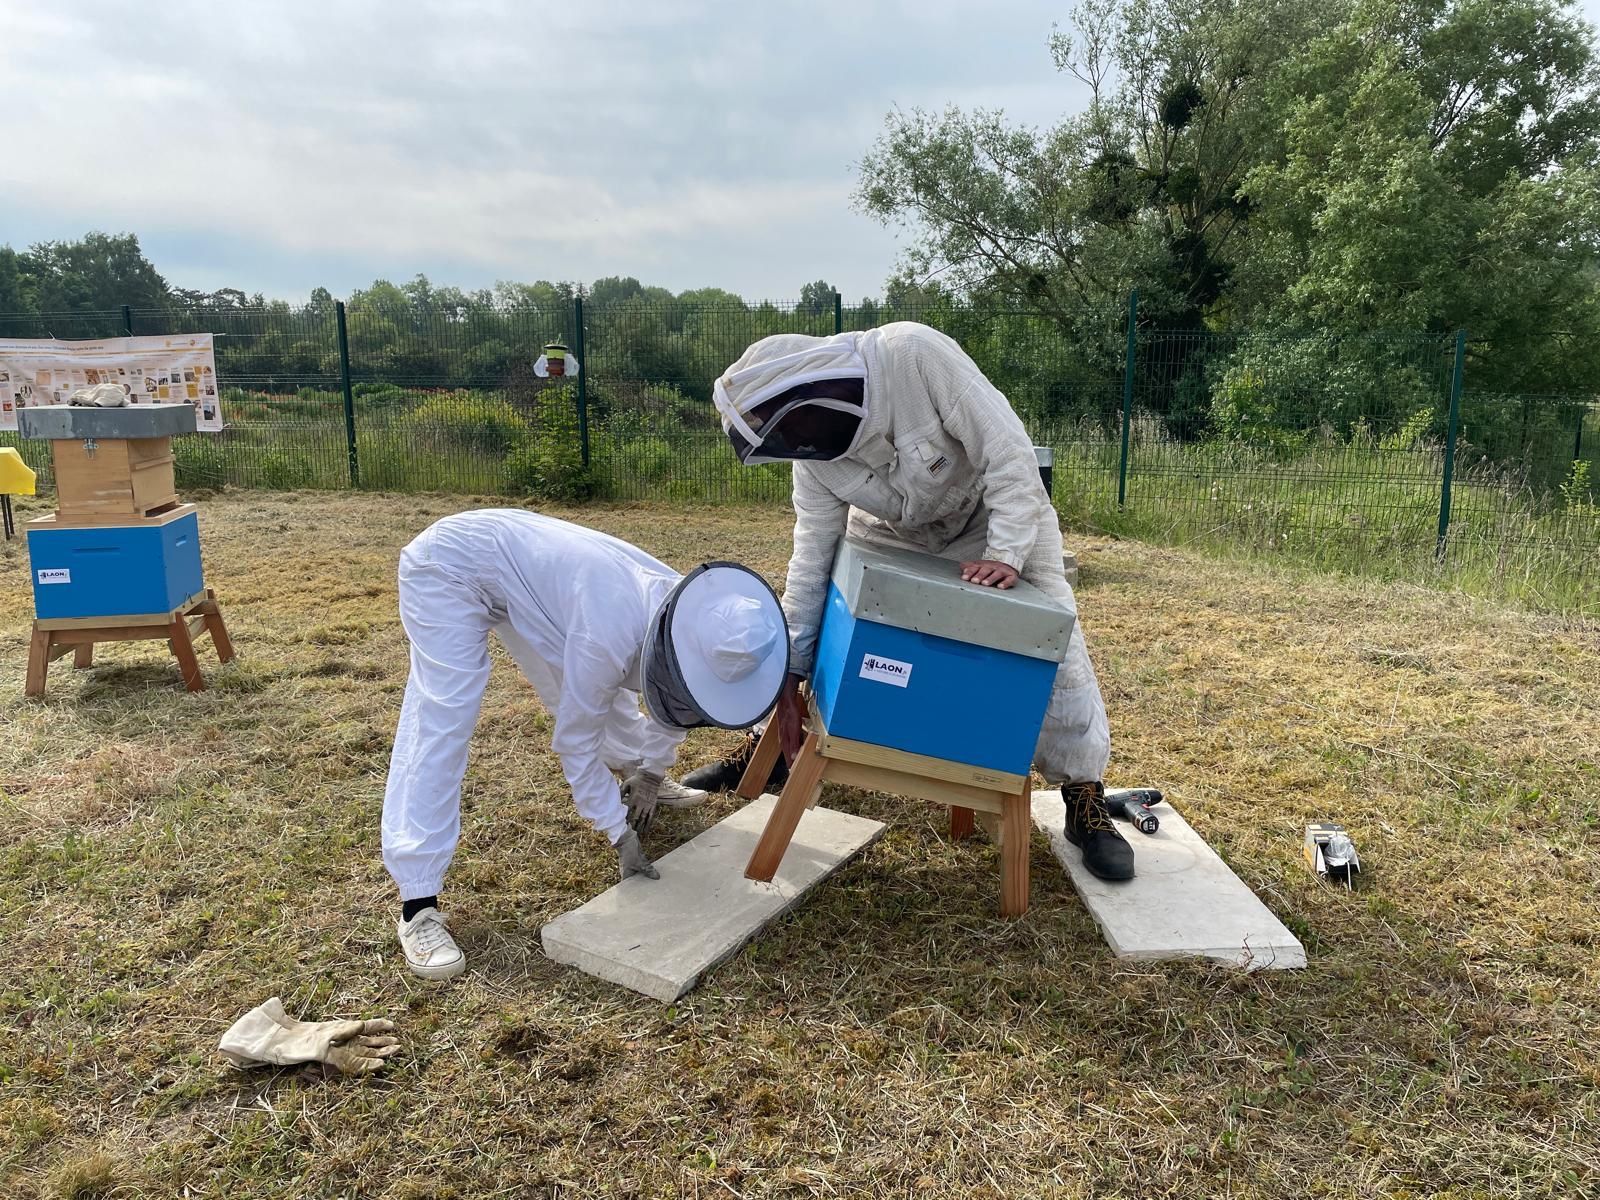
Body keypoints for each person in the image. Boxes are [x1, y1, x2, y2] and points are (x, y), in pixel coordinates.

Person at [683, 321, 1133, 882]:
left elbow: (1009, 451)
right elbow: (811, 558)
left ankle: (1084, 796)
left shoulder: (914, 355)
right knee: (837, 608)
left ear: (818, 391)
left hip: (995, 518)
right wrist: (789, 676)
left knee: (1052, 643)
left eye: (797, 429)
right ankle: (768, 750)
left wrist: (1008, 553)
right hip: (894, 531)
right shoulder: (814, 462)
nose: (799, 446)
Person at [383, 509, 789, 980]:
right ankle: (418, 903)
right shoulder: (608, 633)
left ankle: (635, 771)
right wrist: (618, 832)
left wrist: (653, 771)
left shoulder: (699, 618)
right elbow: (576, 740)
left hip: (523, 575)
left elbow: (680, 695)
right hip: (449, 567)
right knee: (444, 715)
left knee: (592, 682)